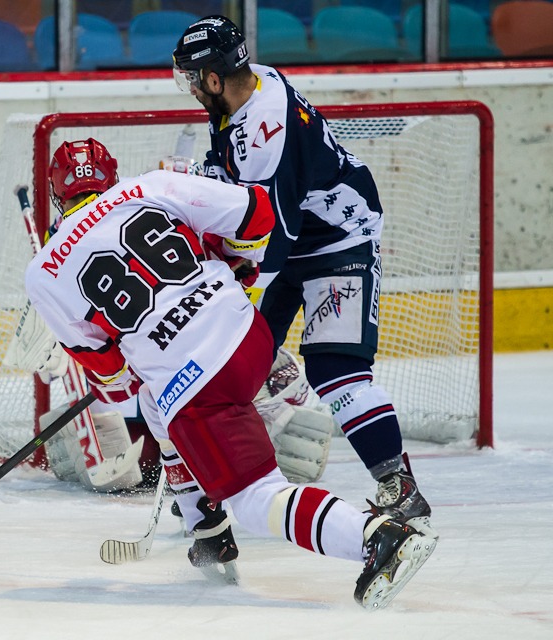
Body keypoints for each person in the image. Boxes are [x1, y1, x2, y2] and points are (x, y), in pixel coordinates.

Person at [24, 137, 436, 608]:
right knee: (159, 404)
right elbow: (258, 212)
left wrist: (132, 369)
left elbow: (112, 379)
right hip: (250, 338)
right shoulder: (149, 186)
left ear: (57, 196)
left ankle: (377, 538)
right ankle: (205, 526)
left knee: (257, 500)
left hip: (200, 389)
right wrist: (232, 260)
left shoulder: (43, 272)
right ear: (111, 177)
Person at [171, 15, 434, 536]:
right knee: (231, 368)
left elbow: (272, 234)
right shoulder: (248, 86)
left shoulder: (267, 132)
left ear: (215, 78)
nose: (192, 90)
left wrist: (230, 287)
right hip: (290, 241)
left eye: (194, 80)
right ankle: (220, 484)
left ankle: (399, 488)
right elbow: (236, 179)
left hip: (337, 242)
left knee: (337, 372)